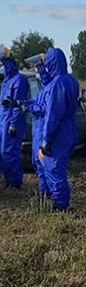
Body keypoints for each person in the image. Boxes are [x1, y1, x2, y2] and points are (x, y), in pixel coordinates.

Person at [3, 56, 51, 196]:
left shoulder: (49, 87)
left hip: (42, 127)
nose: (34, 70)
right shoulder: (43, 88)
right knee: (38, 162)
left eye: (37, 68)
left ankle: (47, 195)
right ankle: (44, 194)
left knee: (44, 164)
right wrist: (20, 103)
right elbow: (36, 102)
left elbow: (42, 108)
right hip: (38, 128)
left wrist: (27, 106)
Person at [39, 48, 79, 211]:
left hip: (59, 131)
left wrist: (46, 140)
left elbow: (53, 115)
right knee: (59, 166)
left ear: (51, 63)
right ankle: (60, 202)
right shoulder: (71, 80)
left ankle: (61, 206)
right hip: (71, 127)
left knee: (54, 168)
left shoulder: (56, 85)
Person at [0, 52, 29, 188]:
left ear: (8, 63)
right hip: (4, 122)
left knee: (11, 152)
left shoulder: (19, 80)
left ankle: (15, 183)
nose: (1, 68)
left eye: (2, 64)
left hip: (12, 122)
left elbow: (18, 104)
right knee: (2, 152)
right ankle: (8, 181)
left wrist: (14, 123)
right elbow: (1, 104)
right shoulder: (6, 82)